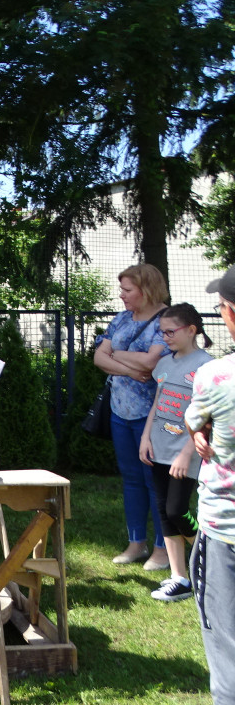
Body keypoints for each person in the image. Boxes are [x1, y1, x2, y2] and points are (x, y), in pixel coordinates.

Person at [93, 263, 170, 569]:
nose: (121, 295)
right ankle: (136, 543)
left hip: (153, 413)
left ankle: (163, 549)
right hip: (119, 412)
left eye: (127, 289)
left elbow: (151, 363)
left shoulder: (166, 320)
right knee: (131, 480)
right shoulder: (122, 318)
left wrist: (115, 355)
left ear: (147, 289)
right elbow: (99, 356)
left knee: (155, 481)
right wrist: (129, 368)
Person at [138, 303, 213, 601]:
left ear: (191, 330)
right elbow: (157, 403)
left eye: (171, 331)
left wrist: (186, 452)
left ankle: (205, 558)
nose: (165, 337)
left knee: (178, 510)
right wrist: (146, 437)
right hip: (158, 448)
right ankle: (180, 578)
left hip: (186, 454)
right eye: (162, 331)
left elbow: (206, 415)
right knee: (163, 514)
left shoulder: (206, 366)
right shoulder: (164, 364)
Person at [186, 266, 235, 705]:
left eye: (220, 307)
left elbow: (193, 414)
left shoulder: (216, 376)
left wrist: (195, 428)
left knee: (227, 649)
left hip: (226, 530)